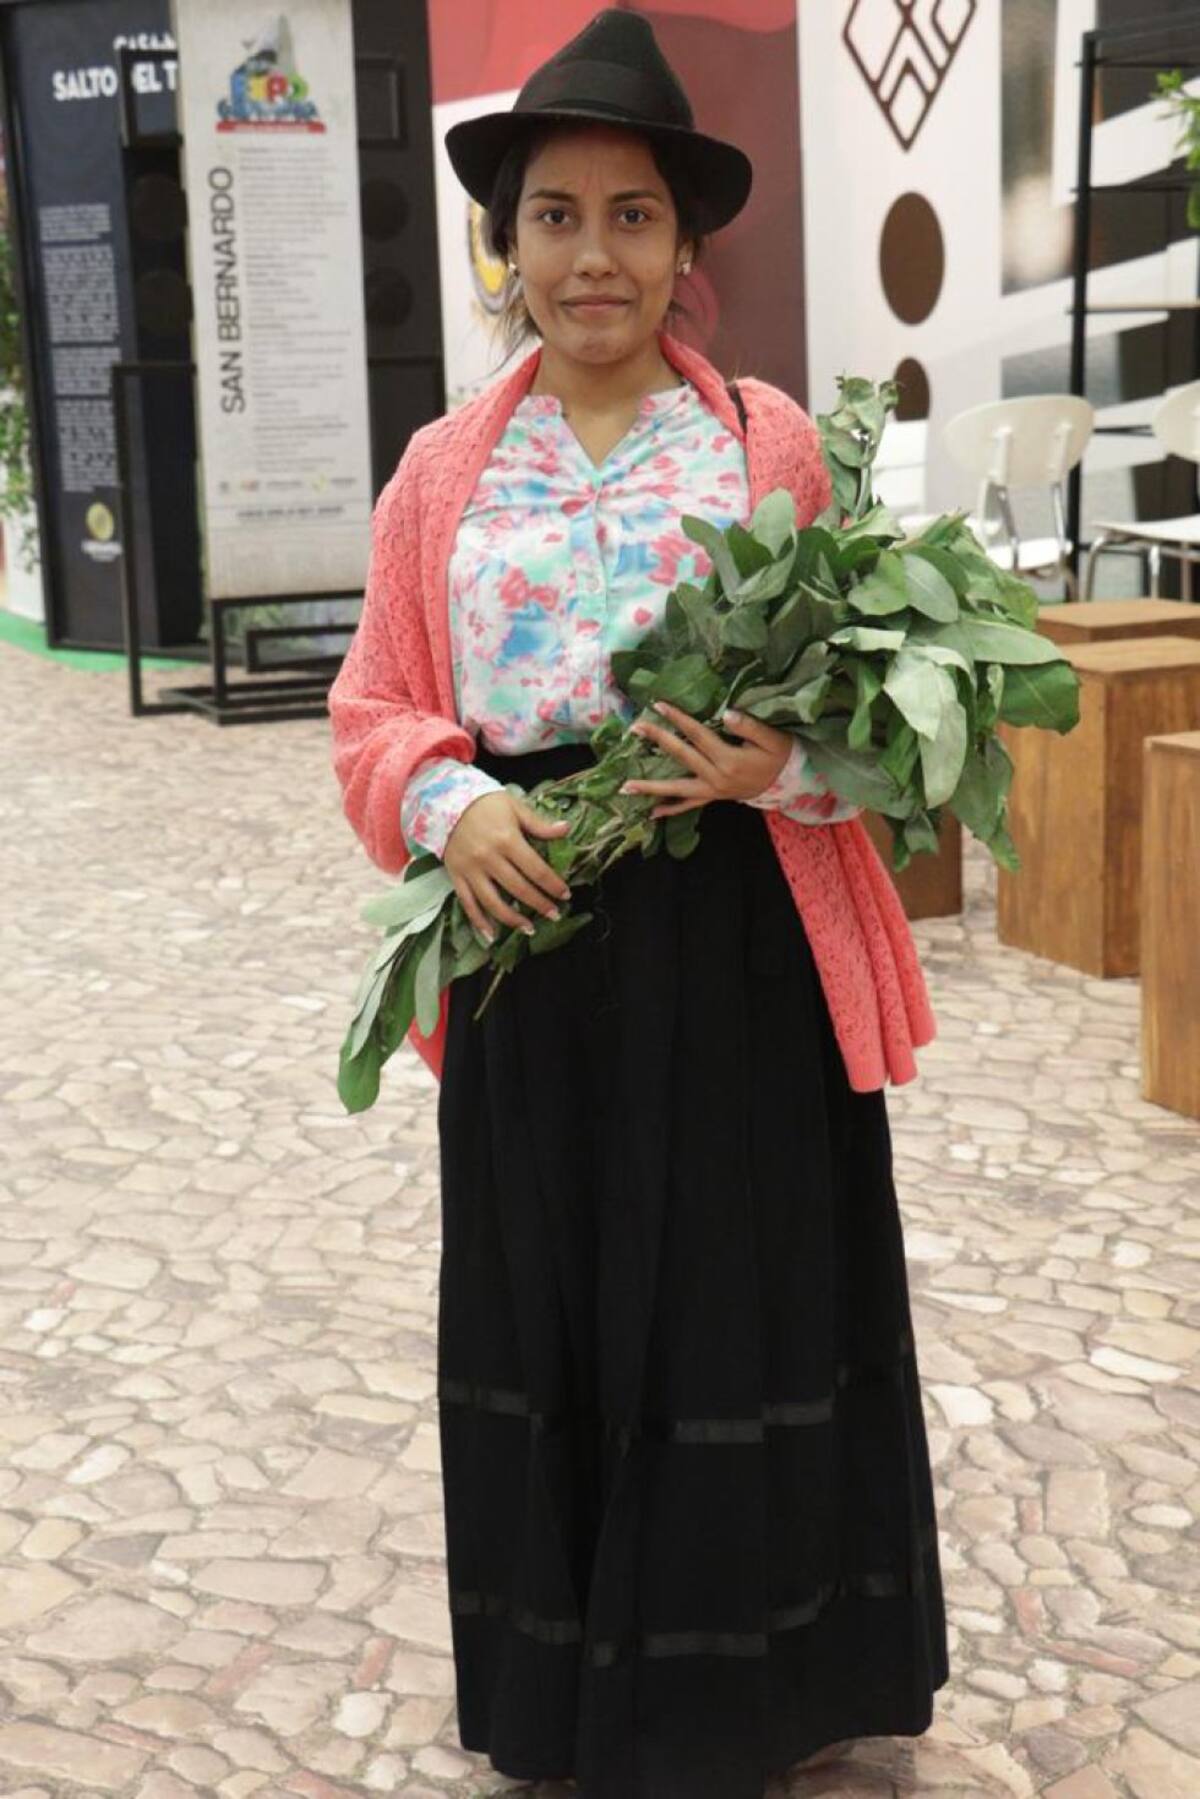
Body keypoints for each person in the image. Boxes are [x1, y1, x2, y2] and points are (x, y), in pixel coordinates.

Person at [328, 12, 949, 1795]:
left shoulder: (767, 450)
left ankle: (758, 1692)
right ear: (506, 249)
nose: (591, 254)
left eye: (630, 215)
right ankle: (558, 1693)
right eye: (553, 217)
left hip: (742, 938)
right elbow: (373, 704)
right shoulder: (444, 472)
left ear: (686, 247)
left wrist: (785, 772)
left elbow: (880, 734)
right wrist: (448, 809)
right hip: (536, 937)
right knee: (559, 1296)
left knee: (746, 1294)